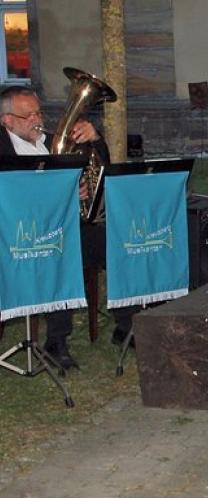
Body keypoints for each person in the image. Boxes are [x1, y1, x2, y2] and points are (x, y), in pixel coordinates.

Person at [1, 85, 136, 369]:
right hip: (17, 234)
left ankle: (127, 325)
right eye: (28, 115)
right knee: (60, 252)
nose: (37, 119)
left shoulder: (54, 142)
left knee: (115, 242)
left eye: (39, 112)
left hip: (66, 225)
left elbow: (101, 168)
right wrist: (62, 194)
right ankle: (57, 341)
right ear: (7, 120)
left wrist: (95, 139)